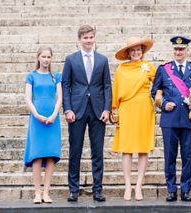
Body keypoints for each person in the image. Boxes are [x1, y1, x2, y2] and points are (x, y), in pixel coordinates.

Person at [151, 36, 191, 202]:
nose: (178, 52)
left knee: (187, 156)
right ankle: (171, 189)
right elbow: (155, 91)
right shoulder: (164, 69)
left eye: (181, 49)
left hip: (188, 119)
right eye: (176, 49)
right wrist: (164, 103)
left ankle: (186, 190)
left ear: (187, 50)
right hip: (170, 119)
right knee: (170, 156)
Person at [62, 25, 112, 202]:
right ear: (79, 39)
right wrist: (67, 109)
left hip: (98, 110)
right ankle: (73, 189)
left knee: (97, 151)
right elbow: (65, 85)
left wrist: (107, 108)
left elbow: (107, 85)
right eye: (85, 38)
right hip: (76, 110)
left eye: (91, 37)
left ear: (94, 38)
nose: (89, 40)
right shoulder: (71, 59)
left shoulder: (102, 60)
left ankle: (97, 189)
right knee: (75, 150)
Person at [111, 37, 156, 201]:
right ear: (128, 52)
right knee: (127, 148)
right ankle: (128, 185)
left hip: (144, 108)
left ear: (142, 51)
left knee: (143, 148)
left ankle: (139, 186)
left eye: (139, 50)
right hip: (127, 109)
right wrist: (113, 109)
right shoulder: (121, 69)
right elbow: (115, 89)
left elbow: (159, 85)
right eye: (133, 50)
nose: (136, 52)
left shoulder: (148, 67)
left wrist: (159, 98)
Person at [24, 46, 62, 204]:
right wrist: (37, 115)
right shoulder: (31, 76)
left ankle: (46, 192)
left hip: (53, 120)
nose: (46, 60)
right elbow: (27, 98)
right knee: (37, 156)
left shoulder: (56, 76)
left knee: (51, 155)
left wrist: (53, 115)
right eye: (44, 57)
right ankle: (37, 192)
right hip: (37, 119)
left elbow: (60, 98)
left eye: (49, 57)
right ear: (38, 57)